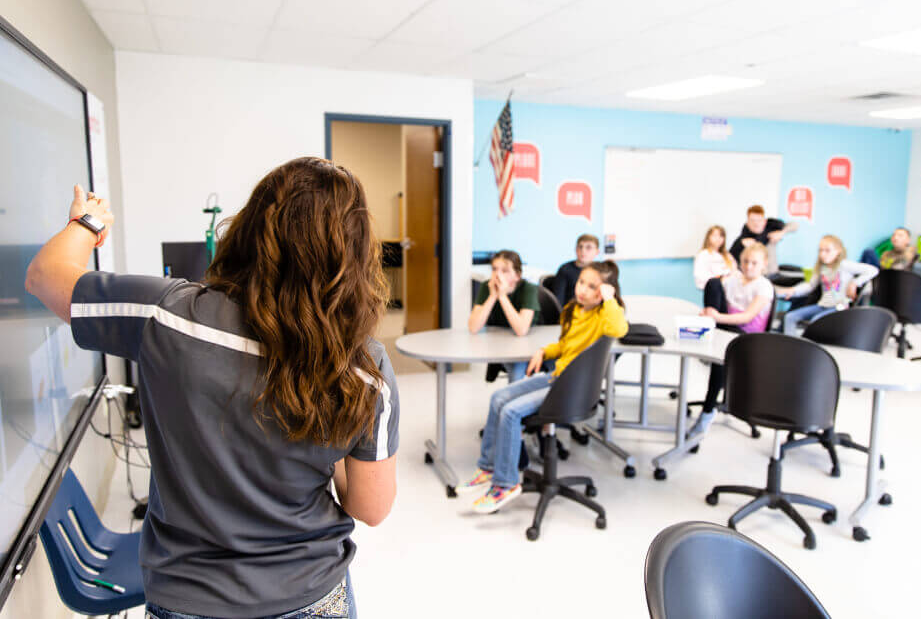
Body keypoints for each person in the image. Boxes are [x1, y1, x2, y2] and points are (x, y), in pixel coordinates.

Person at [25, 158, 400, 619]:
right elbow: (371, 506)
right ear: (355, 257)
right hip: (312, 597)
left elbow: (44, 275)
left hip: (190, 600)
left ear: (249, 231)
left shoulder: (163, 316)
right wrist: (328, 440)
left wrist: (89, 222)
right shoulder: (364, 367)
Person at [458, 261, 628, 514]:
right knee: (498, 397)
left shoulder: (604, 316)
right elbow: (565, 347)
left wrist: (610, 300)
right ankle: (489, 466)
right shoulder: (575, 310)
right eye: (581, 282)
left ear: (605, 290)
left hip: (570, 388)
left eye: (592, 287)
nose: (582, 289)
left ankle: (506, 484)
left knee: (511, 412)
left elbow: (619, 329)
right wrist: (543, 351)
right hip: (557, 377)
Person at [691, 242, 775, 440]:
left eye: (754, 263)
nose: (749, 266)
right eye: (745, 261)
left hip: (745, 337)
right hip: (726, 327)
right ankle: (709, 329)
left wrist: (715, 317)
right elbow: (716, 291)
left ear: (764, 264)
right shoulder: (735, 279)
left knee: (721, 356)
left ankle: (707, 412)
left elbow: (746, 317)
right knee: (713, 283)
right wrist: (710, 313)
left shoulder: (764, 286)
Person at [780, 234, 879, 336]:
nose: (823, 254)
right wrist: (793, 290)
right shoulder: (821, 268)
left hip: (839, 307)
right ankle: (792, 343)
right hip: (823, 305)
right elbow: (810, 286)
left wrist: (855, 283)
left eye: (827, 250)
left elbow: (873, 270)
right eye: (820, 250)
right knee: (790, 317)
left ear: (838, 251)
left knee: (817, 321)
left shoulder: (844, 265)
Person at [468, 249, 541, 382]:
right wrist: (492, 296)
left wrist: (502, 296)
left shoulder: (528, 289)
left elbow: (521, 330)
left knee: (517, 367)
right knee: (514, 366)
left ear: (517, 275)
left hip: (529, 344)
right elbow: (473, 327)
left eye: (504, 271)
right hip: (503, 344)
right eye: (494, 269)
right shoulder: (487, 287)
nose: (497, 275)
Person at [728, 205, 799, 280]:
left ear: (764, 221)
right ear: (747, 222)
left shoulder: (771, 230)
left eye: (759, 220)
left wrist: (782, 233)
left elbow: (795, 225)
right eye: (752, 220)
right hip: (755, 279)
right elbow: (729, 261)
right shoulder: (742, 241)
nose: (756, 224)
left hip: (774, 275)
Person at [549, 234, 600, 306]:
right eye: (580, 247)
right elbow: (558, 302)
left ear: (597, 252)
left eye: (588, 247)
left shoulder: (600, 271)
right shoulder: (565, 269)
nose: (583, 251)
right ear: (576, 249)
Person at [694, 225, 736, 290]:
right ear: (708, 237)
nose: (718, 238)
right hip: (713, 289)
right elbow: (701, 276)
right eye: (714, 235)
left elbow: (734, 271)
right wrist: (720, 279)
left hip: (729, 288)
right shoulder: (703, 255)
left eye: (721, 236)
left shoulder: (727, 255)